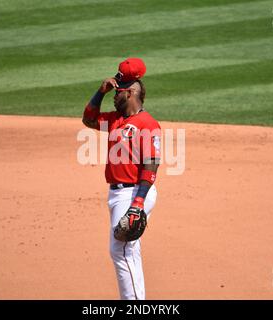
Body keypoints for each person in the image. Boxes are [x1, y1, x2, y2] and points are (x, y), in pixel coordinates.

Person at [81, 58, 161, 300]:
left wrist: (138, 203)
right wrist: (100, 92)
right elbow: (88, 119)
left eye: (117, 91)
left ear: (131, 92)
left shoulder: (147, 124)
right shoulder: (114, 120)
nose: (114, 95)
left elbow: (151, 164)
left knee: (119, 250)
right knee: (128, 250)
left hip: (135, 192)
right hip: (116, 194)